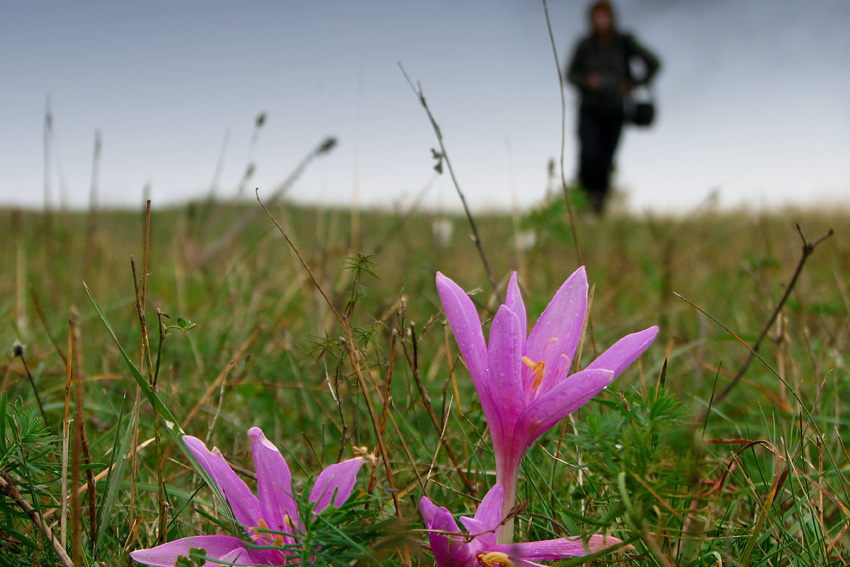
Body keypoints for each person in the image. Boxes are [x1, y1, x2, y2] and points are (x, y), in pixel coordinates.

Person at [566, 1, 660, 214]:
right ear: (591, 19)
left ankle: (598, 206)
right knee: (588, 155)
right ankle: (582, 202)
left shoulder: (624, 43)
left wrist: (632, 84)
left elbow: (654, 63)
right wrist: (587, 81)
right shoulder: (584, 45)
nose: (601, 21)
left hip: (615, 111)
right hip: (589, 109)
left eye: (605, 16)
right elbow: (571, 74)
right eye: (597, 16)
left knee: (606, 159)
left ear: (612, 18)